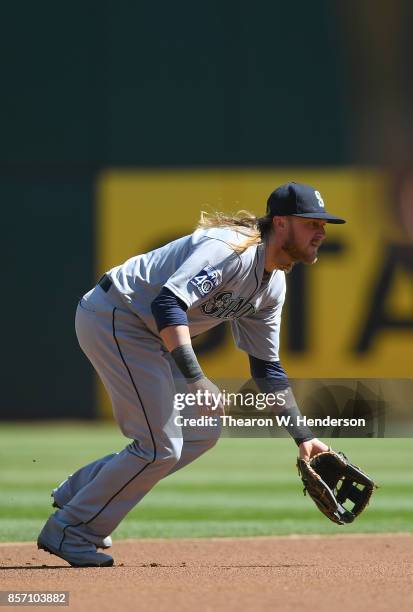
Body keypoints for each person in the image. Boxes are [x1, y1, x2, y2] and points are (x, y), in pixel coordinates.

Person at [37, 181, 346, 567]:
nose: (321, 231)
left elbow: (266, 367)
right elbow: (168, 303)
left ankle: (79, 492)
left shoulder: (273, 285)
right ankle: (72, 530)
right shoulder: (231, 248)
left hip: (141, 333)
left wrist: (304, 436)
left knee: (203, 428)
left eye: (324, 224)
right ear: (280, 223)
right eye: (311, 222)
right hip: (115, 315)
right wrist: (198, 379)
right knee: (159, 446)